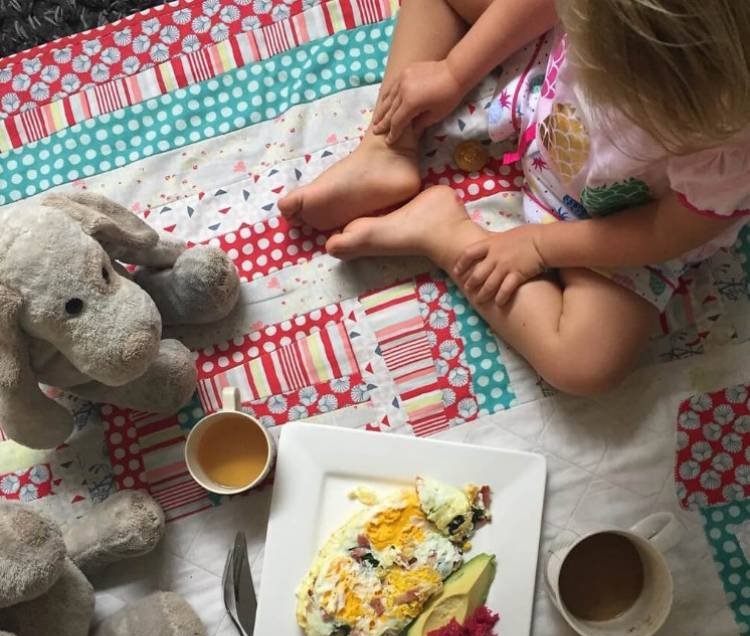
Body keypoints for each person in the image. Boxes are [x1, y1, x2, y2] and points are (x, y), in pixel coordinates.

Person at [279, 0, 750, 395]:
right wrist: (451, 70)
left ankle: (442, 231)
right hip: (548, 94)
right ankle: (386, 146)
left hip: (618, 215)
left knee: (585, 364)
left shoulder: (733, 150)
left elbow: (664, 231)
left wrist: (541, 246)